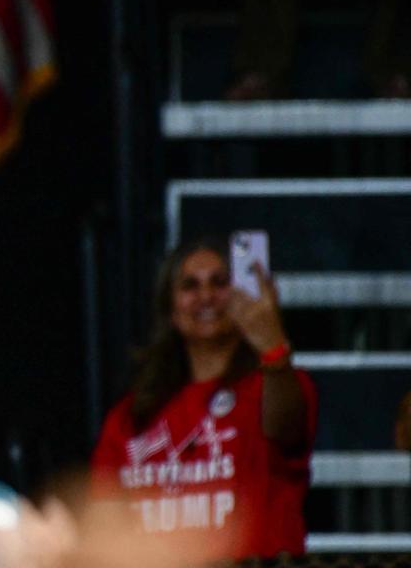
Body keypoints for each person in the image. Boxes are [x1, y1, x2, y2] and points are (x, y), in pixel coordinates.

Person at [90, 236, 317, 560]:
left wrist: (273, 346)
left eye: (220, 283)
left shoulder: (277, 386)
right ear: (169, 309)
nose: (207, 296)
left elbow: (286, 427)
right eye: (190, 286)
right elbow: (104, 525)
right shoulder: (128, 417)